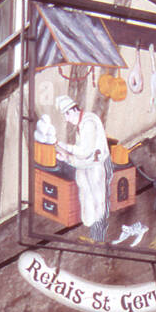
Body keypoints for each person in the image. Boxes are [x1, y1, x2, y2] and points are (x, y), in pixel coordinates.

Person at [56, 94, 112, 242]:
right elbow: (82, 153)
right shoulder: (82, 124)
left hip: (96, 165)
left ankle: (98, 236)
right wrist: (67, 155)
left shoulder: (88, 123)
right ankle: (90, 229)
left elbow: (85, 151)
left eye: (66, 115)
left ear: (72, 111)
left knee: (98, 198)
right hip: (87, 165)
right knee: (85, 190)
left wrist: (67, 150)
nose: (67, 119)